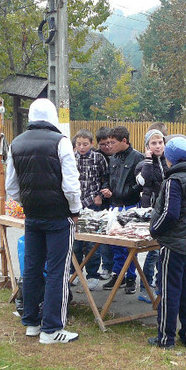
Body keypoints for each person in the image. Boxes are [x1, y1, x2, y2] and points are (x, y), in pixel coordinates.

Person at [5, 99, 81, 344]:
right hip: (59, 216)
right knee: (57, 272)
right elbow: (70, 184)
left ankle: (32, 323)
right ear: (52, 118)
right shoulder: (61, 142)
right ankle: (51, 329)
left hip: (33, 215)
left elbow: (11, 186)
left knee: (32, 269)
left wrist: (28, 201)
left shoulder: (15, 143)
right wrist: (75, 209)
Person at [148, 137, 186, 349]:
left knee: (170, 291)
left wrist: (154, 230)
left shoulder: (174, 181)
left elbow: (169, 214)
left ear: (169, 159)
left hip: (173, 245)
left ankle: (166, 339)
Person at [101, 125, 144, 294]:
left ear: (124, 141)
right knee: (115, 243)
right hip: (114, 205)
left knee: (130, 244)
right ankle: (118, 274)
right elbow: (106, 178)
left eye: (113, 142)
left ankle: (131, 277)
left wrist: (123, 192)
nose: (109, 146)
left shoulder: (137, 158)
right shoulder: (112, 159)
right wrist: (105, 189)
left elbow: (139, 183)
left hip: (131, 205)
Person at [72, 129, 109, 291]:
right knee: (76, 241)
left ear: (91, 144)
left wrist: (101, 194)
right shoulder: (71, 158)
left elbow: (106, 177)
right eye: (79, 144)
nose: (82, 147)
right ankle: (74, 272)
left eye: (85, 144)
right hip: (75, 204)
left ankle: (92, 274)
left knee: (92, 241)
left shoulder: (98, 158)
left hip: (93, 203)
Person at [135, 128, 168, 302]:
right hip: (150, 210)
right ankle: (145, 287)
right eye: (153, 143)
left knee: (162, 250)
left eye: (160, 142)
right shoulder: (143, 164)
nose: (158, 146)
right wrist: (148, 159)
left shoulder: (168, 161)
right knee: (153, 251)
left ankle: (158, 286)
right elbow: (142, 181)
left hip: (166, 210)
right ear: (147, 146)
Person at [94, 126, 114, 279]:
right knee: (104, 234)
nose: (107, 147)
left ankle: (121, 270)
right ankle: (107, 266)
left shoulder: (120, 154)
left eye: (109, 143)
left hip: (118, 198)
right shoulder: (96, 157)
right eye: (103, 144)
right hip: (101, 199)